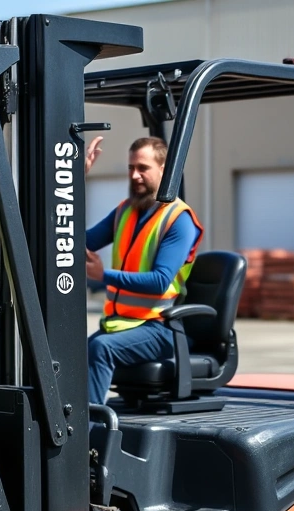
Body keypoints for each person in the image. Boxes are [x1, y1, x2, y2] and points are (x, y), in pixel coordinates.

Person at [83, 136, 204, 405]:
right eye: (130, 168)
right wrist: (73, 182)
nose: (134, 175)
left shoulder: (179, 220)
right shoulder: (125, 211)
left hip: (161, 328)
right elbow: (78, 242)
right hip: (124, 325)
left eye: (143, 168)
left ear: (164, 169)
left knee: (100, 349)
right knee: (64, 352)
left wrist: (103, 276)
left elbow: (160, 282)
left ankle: (88, 435)